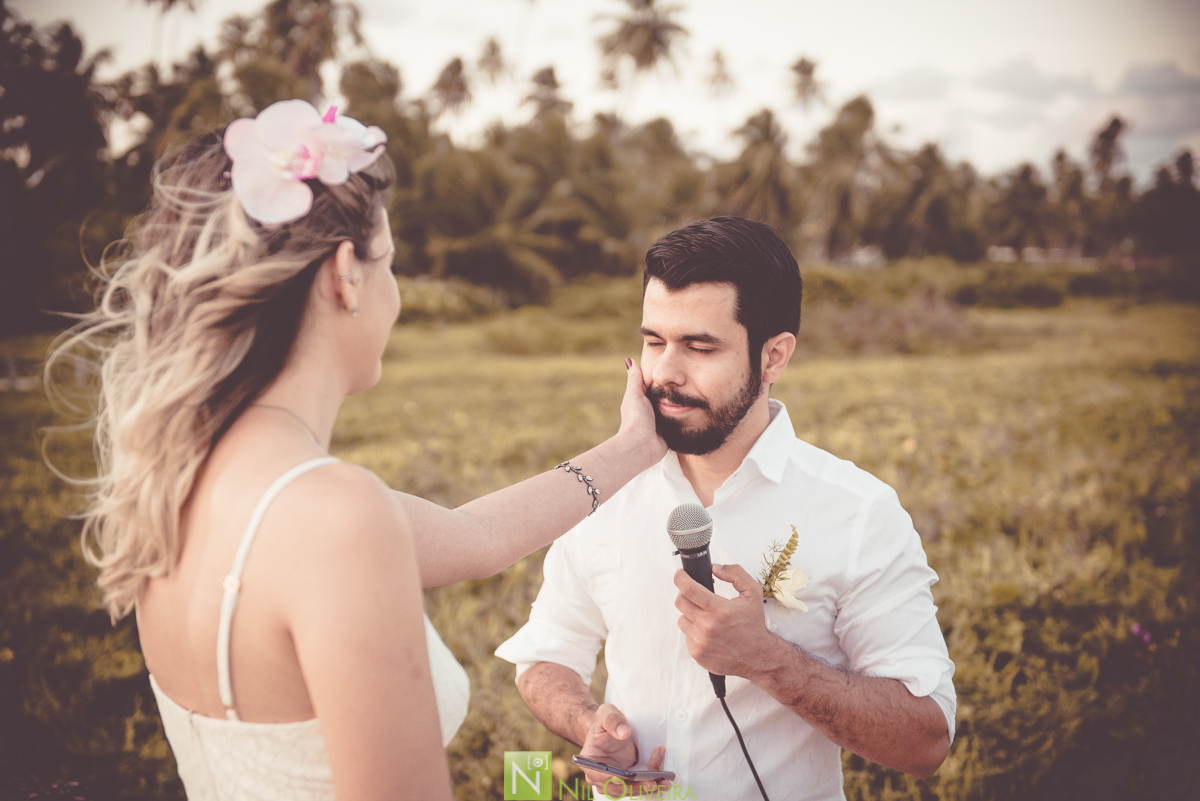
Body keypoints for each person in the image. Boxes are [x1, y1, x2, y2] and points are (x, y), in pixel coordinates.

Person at [45, 99, 664, 801]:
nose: (396, 296)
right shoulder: (334, 514)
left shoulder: (179, 478)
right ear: (346, 274)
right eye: (390, 265)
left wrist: (631, 447)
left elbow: (480, 537)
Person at [496, 216, 956, 800]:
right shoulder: (602, 493)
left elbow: (926, 742)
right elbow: (544, 656)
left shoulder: (859, 511)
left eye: (699, 346)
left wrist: (770, 661)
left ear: (774, 357)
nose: (665, 373)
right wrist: (590, 724)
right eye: (654, 341)